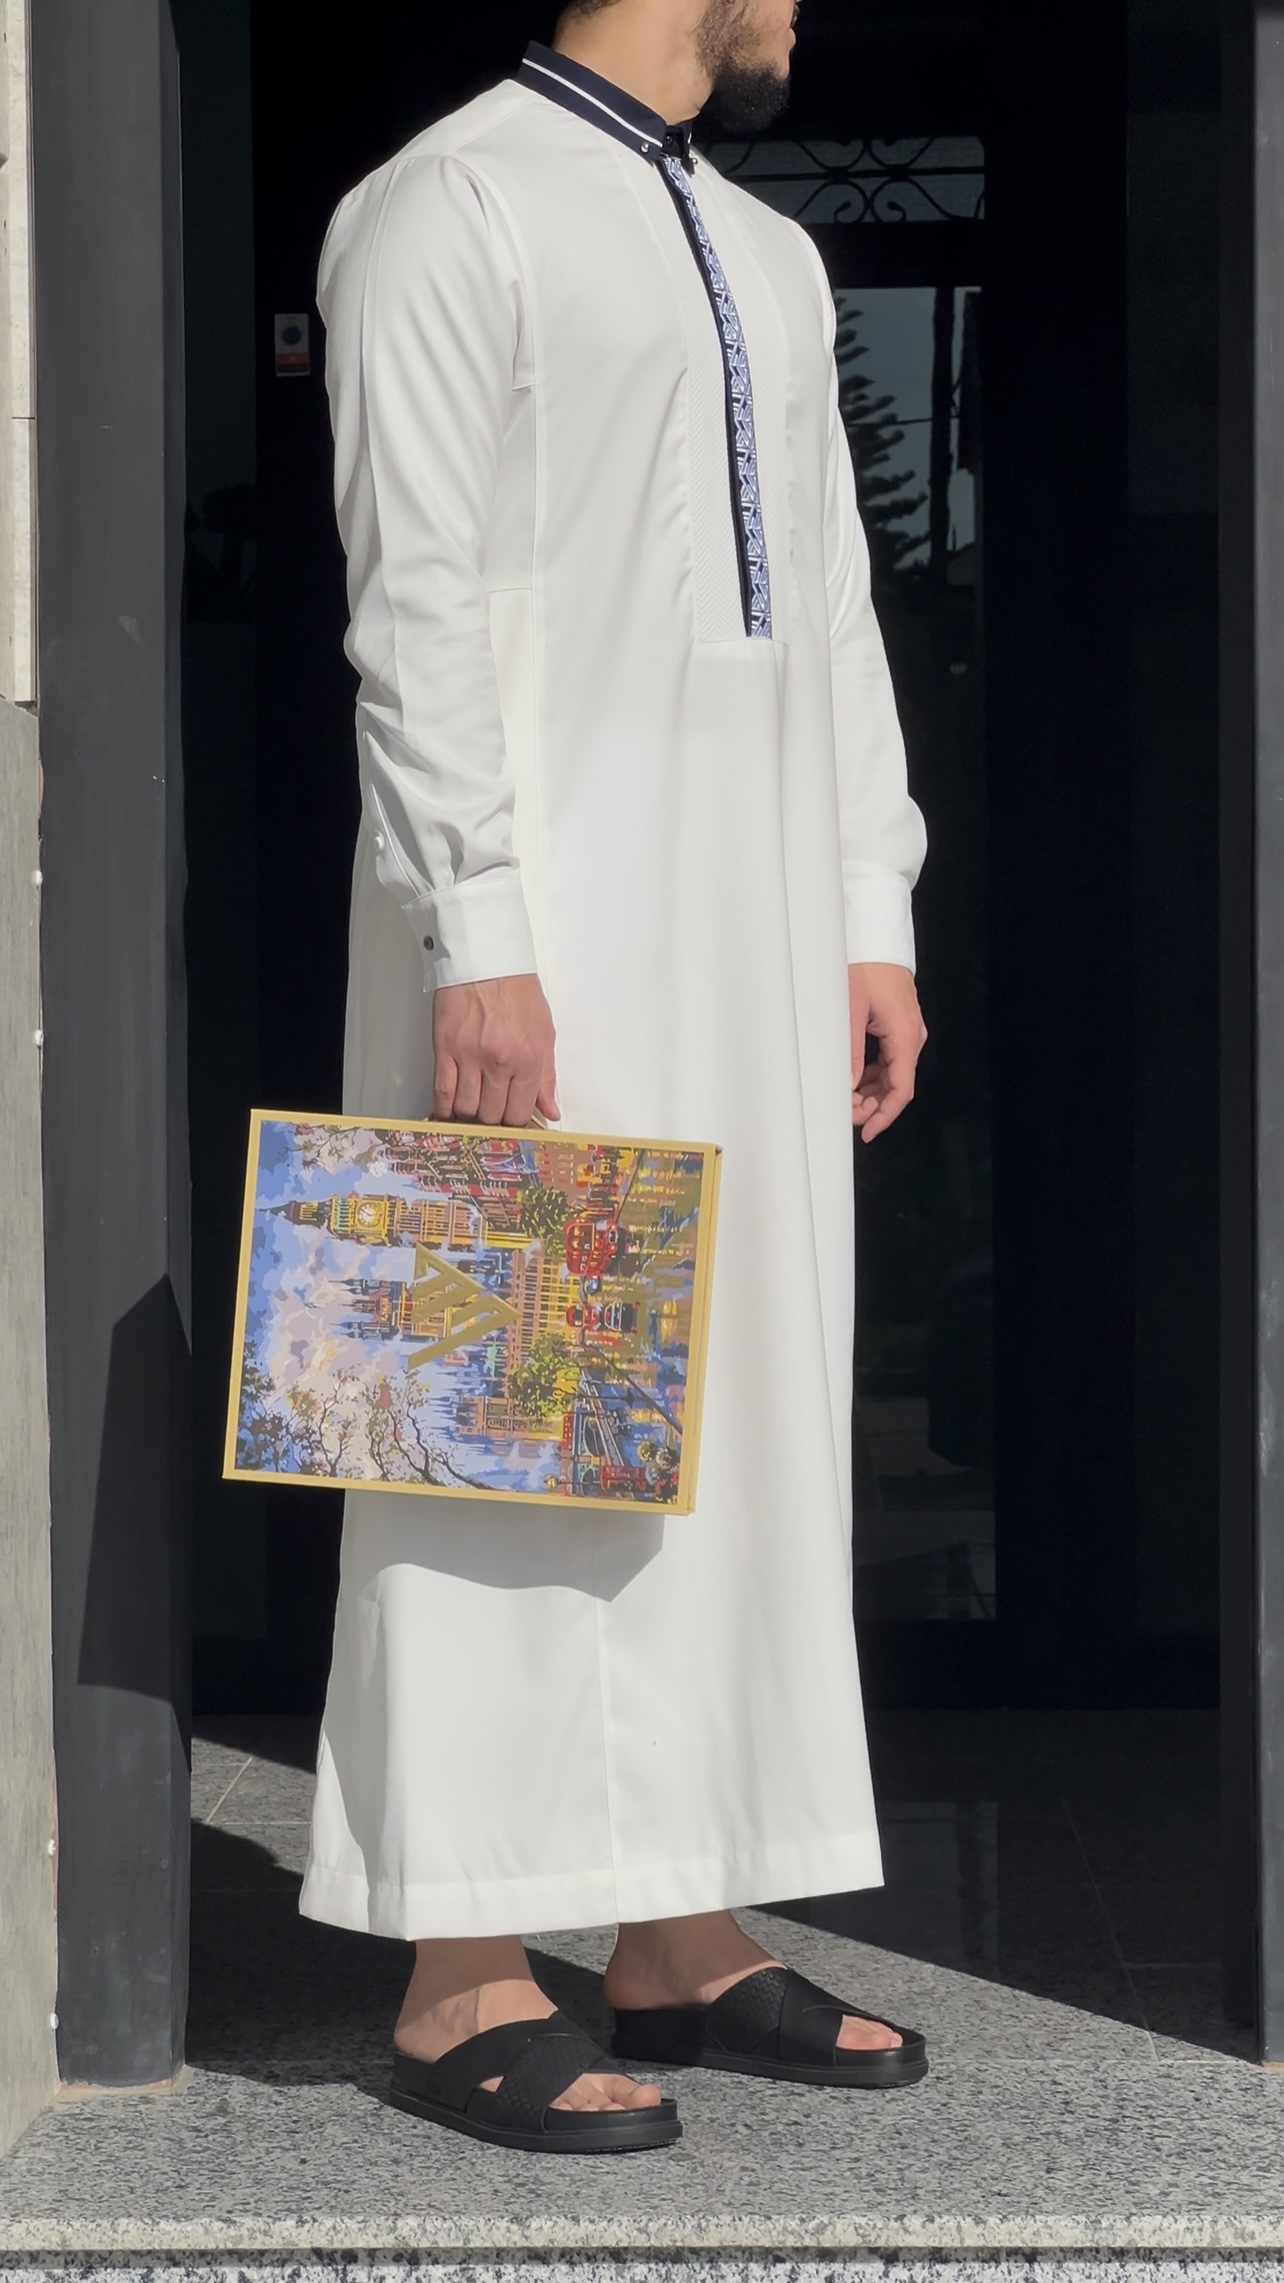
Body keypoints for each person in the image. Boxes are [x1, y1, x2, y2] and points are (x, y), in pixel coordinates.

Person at [302, 0, 930, 2153]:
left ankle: (679, 1924)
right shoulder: (444, 206)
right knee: (497, 1410)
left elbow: (830, 600)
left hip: (747, 931)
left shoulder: (771, 249)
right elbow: (414, 598)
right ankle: (460, 1969)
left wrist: (865, 903)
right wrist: (476, 930)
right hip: (541, 946)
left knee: (735, 1401)